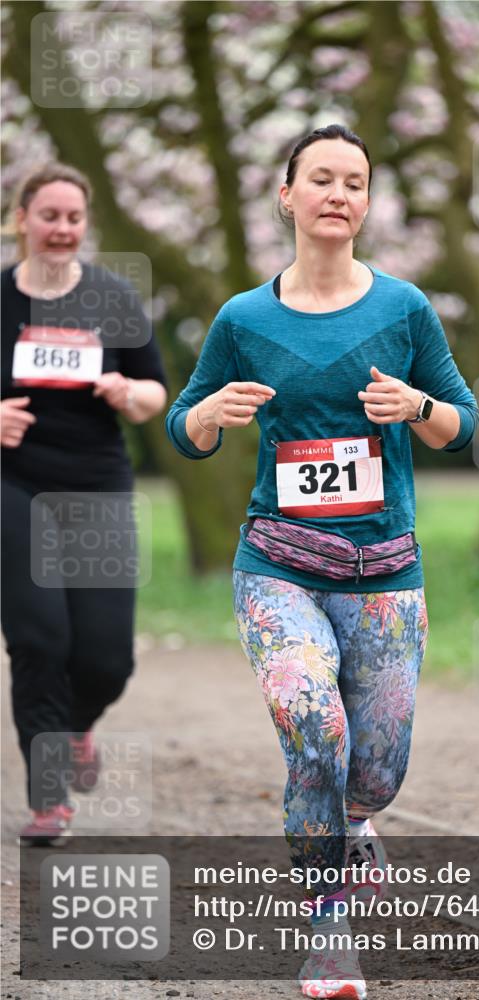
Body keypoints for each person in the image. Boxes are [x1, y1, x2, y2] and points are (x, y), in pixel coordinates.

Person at [166, 124, 479, 1000]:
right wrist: (207, 417)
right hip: (278, 565)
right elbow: (184, 426)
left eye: (354, 182)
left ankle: (355, 821)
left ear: (366, 203)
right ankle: (327, 930)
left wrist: (416, 405)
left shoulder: (404, 308)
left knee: (374, 772)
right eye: (321, 178)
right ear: (287, 196)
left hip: (384, 571)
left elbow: (462, 425)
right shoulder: (243, 319)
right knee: (314, 727)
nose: (338, 193)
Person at [1, 163, 167, 845]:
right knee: (40, 639)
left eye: (73, 218)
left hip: (96, 485)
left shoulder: (111, 298)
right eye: (49, 216)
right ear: (22, 220)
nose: (62, 229)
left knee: (106, 659)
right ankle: (49, 799)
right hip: (13, 484)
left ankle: (75, 728)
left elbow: (157, 392)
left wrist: (129, 394)